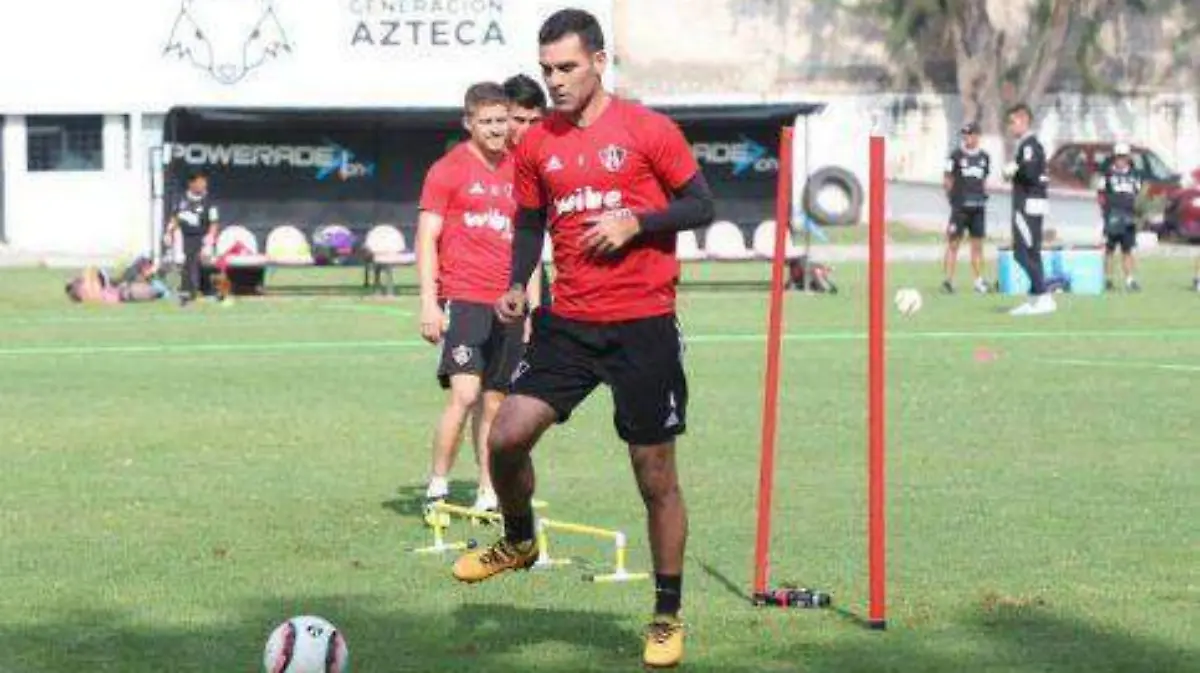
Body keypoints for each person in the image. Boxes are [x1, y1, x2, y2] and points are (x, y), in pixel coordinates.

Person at [450, 9, 715, 669]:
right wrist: (517, 284)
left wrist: (637, 222)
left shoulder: (648, 129)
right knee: (505, 436)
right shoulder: (537, 141)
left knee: (654, 475)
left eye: (566, 67)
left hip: (643, 324)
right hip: (568, 324)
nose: (556, 80)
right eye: (547, 69)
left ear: (599, 61)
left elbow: (701, 204)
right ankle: (519, 539)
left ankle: (666, 615)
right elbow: (530, 221)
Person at [417, 82, 537, 519]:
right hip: (464, 298)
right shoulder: (446, 170)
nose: (496, 129)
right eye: (486, 122)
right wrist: (429, 303)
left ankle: (488, 490)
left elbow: (529, 245)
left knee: (495, 403)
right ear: (468, 123)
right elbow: (426, 238)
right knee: (465, 395)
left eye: (501, 120)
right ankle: (437, 486)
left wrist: (530, 308)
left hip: (508, 304)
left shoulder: (521, 170)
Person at [503, 73, 554, 310]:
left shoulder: (548, 164)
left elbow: (533, 232)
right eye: (519, 120)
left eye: (534, 121)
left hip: (528, 271)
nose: (526, 129)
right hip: (480, 276)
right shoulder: (479, 161)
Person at [1001, 103, 1055, 315]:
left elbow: (1030, 173)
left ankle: (1042, 294)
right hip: (1033, 204)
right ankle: (1035, 298)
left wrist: (1013, 170)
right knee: (1032, 252)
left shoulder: (1029, 146)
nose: (1010, 126)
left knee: (1021, 253)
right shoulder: (1028, 145)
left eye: (1012, 121)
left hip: (1026, 206)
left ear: (1023, 120)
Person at [941, 122, 992, 294]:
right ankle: (948, 280)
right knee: (953, 243)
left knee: (977, 245)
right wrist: (952, 199)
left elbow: (984, 180)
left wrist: (984, 195)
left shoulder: (984, 157)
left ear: (977, 136)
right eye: (965, 134)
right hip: (960, 208)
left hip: (978, 207)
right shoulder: (955, 156)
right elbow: (947, 178)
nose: (967, 137)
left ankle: (978, 281)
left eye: (970, 134)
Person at [165, 171, 219, 306]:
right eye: (200, 182)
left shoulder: (209, 201)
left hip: (202, 237)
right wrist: (169, 233)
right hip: (185, 237)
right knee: (185, 264)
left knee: (207, 262)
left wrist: (210, 237)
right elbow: (175, 219)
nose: (203, 185)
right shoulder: (181, 200)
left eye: (204, 182)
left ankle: (214, 291)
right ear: (191, 184)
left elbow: (214, 222)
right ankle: (187, 295)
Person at [1096, 143, 1143, 291]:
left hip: (1128, 216)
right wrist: (1105, 213)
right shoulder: (1107, 175)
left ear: (1128, 158)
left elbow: (1138, 195)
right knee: (1109, 250)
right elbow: (1100, 195)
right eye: (1118, 157)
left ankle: (1129, 280)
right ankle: (1108, 280)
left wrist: (1137, 213)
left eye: (1123, 157)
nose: (1121, 160)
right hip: (1112, 216)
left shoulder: (1134, 175)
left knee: (1127, 250)